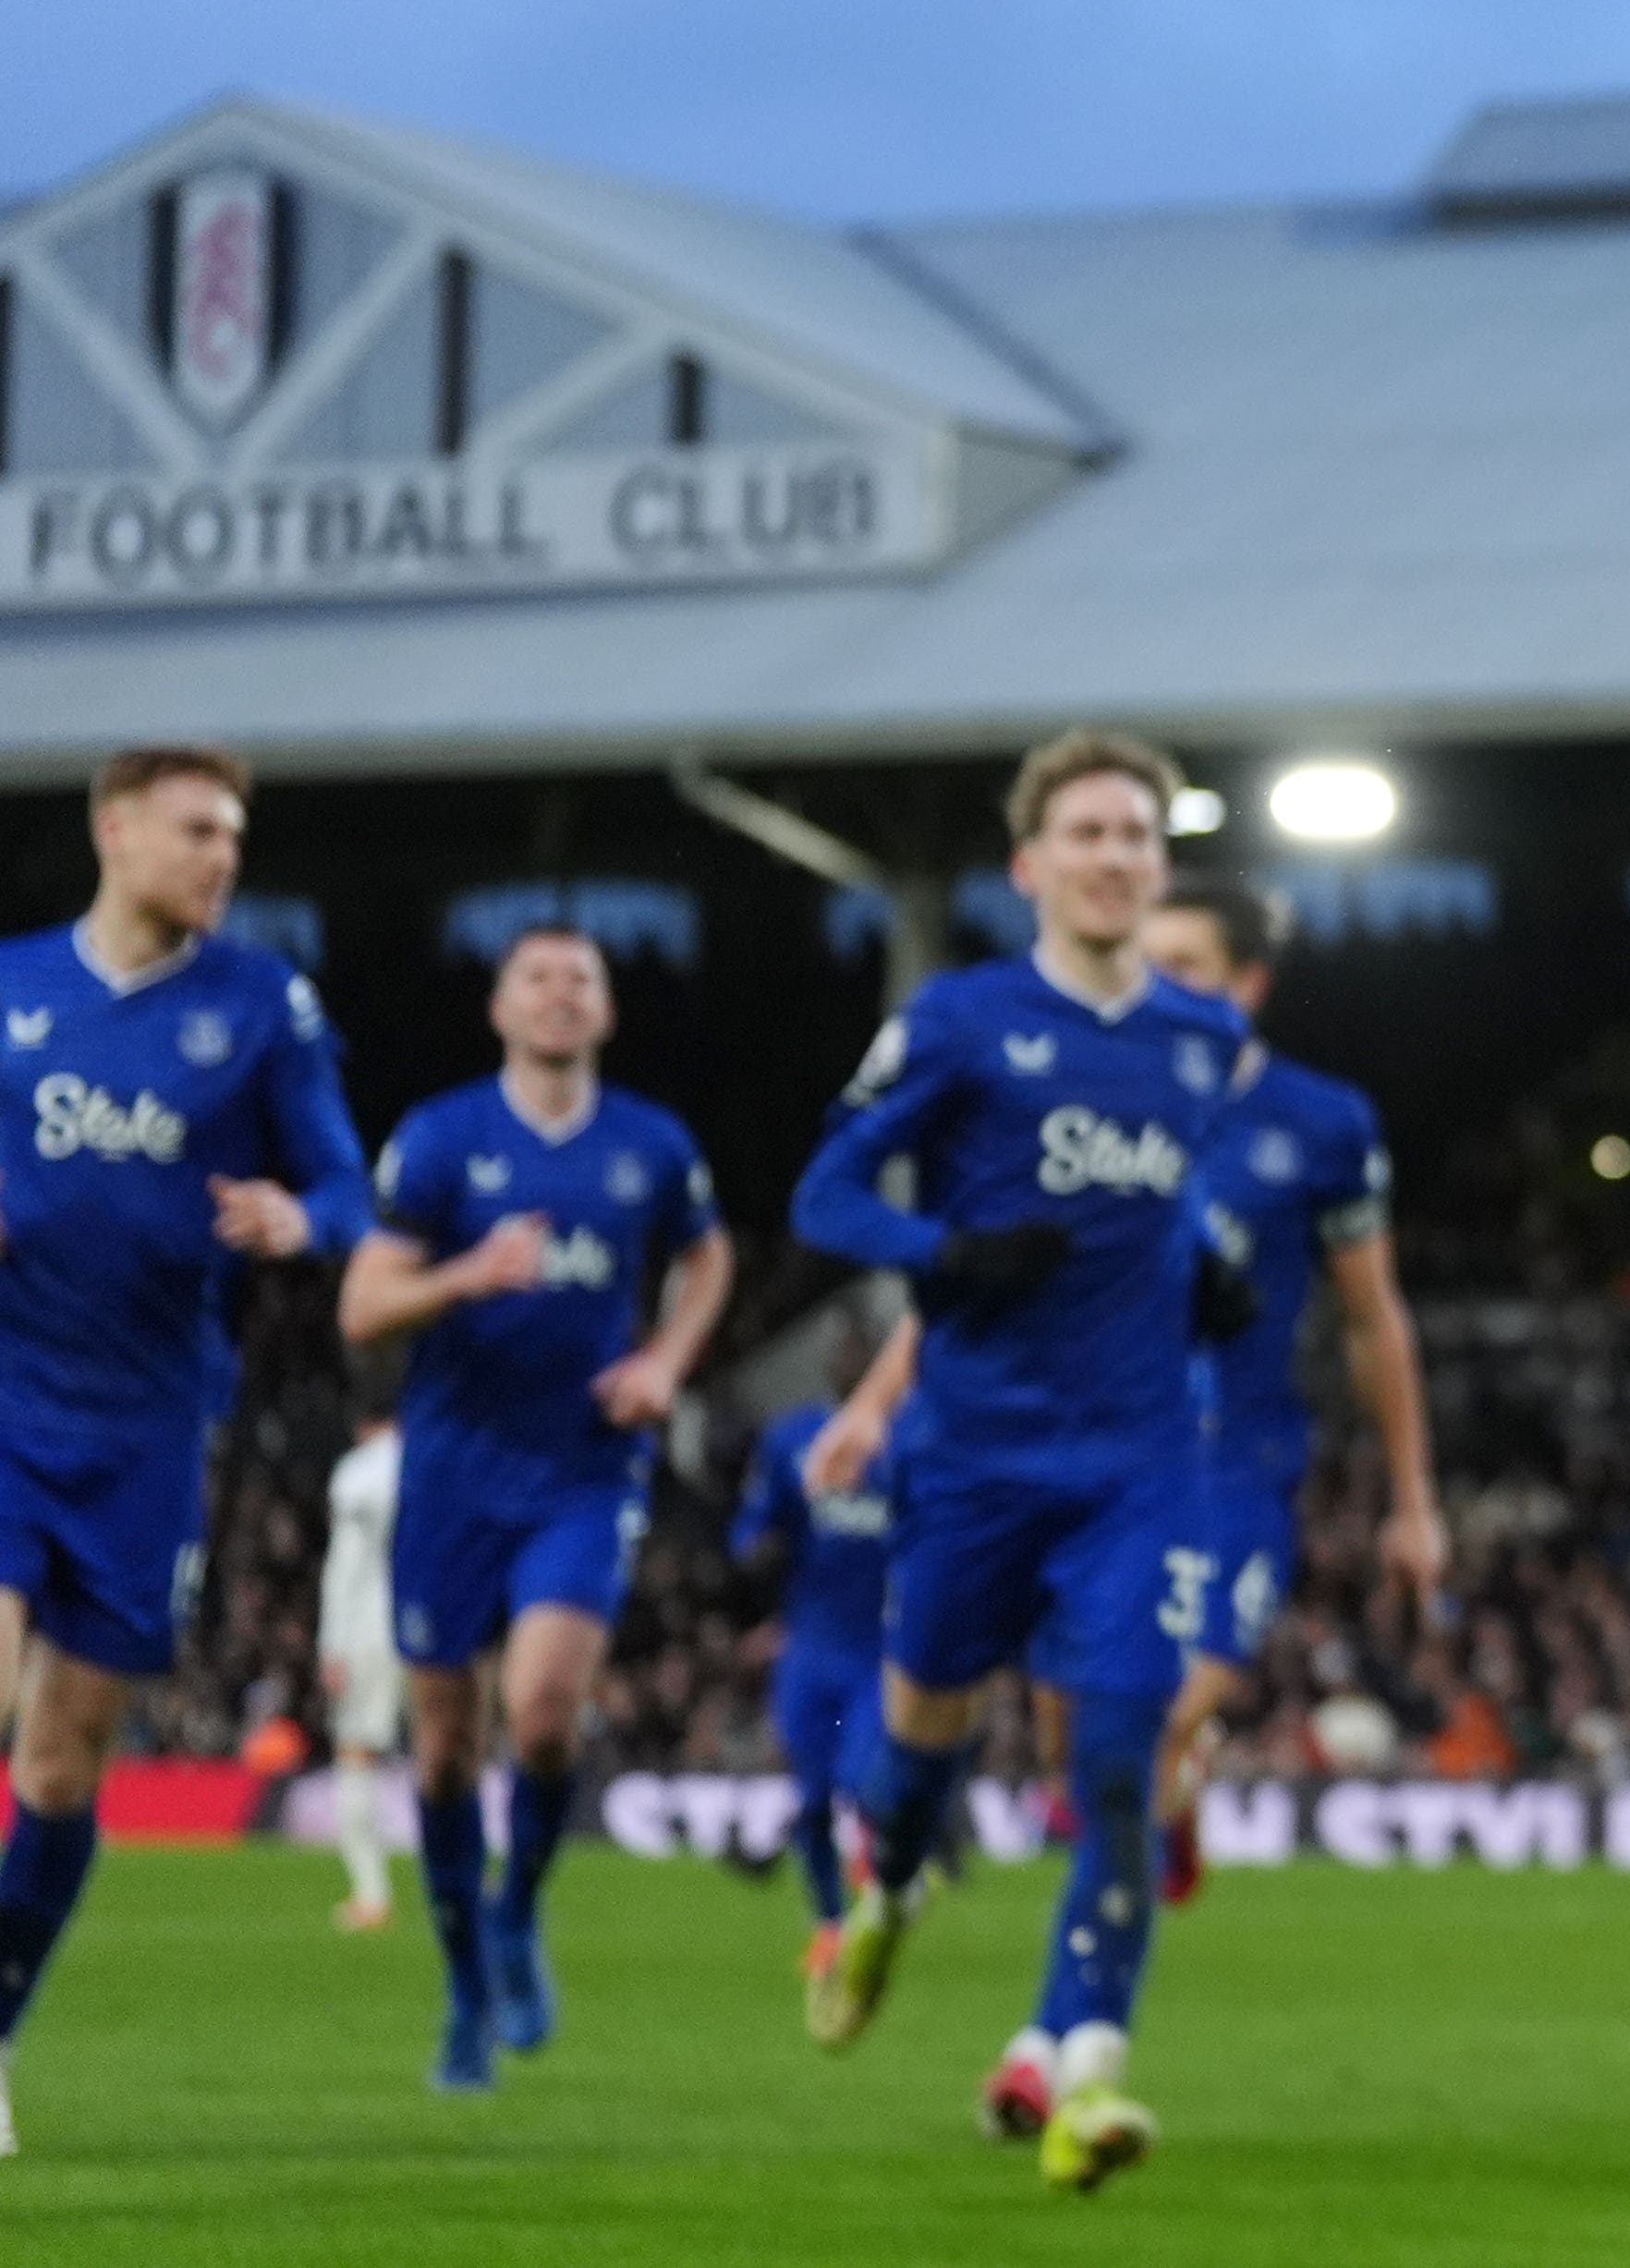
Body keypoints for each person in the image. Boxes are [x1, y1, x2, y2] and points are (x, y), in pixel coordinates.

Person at [791, 729, 1247, 2195]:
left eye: (1139, 834)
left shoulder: (1196, 1038)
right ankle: (883, 1888)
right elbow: (826, 1192)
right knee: (918, 1751)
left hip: (1137, 1465)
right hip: (973, 1458)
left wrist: (1208, 1268)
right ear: (1029, 865)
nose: (1117, 855)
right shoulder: (960, 1019)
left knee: (1119, 1760)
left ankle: (1086, 2070)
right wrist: (950, 1251)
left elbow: (1166, 1215)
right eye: (1091, 833)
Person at [0, 746, 372, 2159]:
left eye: (235, 834)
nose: (222, 855)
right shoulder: (13, 986)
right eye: (197, 828)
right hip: (4, 1396)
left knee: (59, 1772)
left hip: (150, 1424)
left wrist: (302, 1218)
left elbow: (349, 1177)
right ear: (115, 827)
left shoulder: (261, 1005)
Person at [340, 924, 733, 2090]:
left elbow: (708, 1261)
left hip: (582, 1466)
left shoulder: (652, 1146)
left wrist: (666, 1358)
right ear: (500, 1007)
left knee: (547, 1710)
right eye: (538, 978)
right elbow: (363, 1306)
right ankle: (465, 1984)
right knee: (448, 1741)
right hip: (454, 1475)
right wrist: (468, 1273)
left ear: (607, 1011)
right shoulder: (443, 1135)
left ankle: (519, 1912)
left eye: (582, 980)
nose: (561, 996)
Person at [1135, 873, 1442, 1908]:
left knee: (1163, 1706)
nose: (1160, 988)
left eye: (1186, 967)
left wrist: (1413, 1502)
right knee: (1090, 1722)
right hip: (1103, 1453)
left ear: (1248, 984)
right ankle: (1172, 1798)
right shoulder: (1090, 1105)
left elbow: (1373, 1319)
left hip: (1241, 1459)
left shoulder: (1320, 1122)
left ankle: (1080, 2017)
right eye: (1147, 965)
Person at [735, 1321, 904, 1990]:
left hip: (879, 1653)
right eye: (843, 1350)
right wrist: (758, 1547)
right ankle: (831, 1924)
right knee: (810, 1799)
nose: (850, 1360)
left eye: (863, 1352)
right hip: (811, 1648)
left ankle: (881, 1895)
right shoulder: (794, 1440)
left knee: (865, 1784)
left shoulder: (908, 1447)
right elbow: (754, 1524)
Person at [318, 1405, 406, 1932]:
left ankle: (371, 1894)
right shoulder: (432, 1460)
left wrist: (333, 1644)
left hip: (372, 1627)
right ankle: (478, 1879)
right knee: (454, 1748)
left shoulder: (359, 1472)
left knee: (356, 1754)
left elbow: (345, 1564)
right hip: (440, 1619)